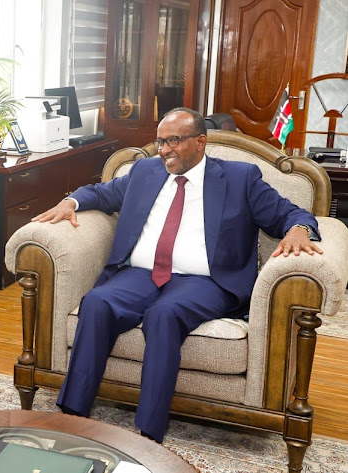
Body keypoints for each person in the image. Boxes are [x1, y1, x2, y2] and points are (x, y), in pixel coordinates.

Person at [32, 107, 322, 443]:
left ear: (200, 142)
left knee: (164, 314)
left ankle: (148, 433)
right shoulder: (144, 171)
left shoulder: (241, 178)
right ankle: (72, 414)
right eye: (160, 141)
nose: (164, 149)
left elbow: (290, 213)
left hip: (206, 281)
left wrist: (300, 228)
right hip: (142, 274)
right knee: (97, 302)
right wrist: (72, 201)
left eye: (173, 141)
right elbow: (101, 193)